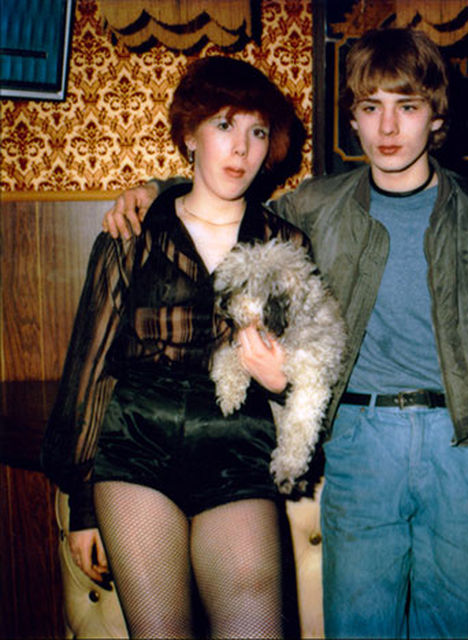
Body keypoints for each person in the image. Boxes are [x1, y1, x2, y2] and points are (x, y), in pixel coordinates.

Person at [102, 29, 468, 639]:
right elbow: (229, 200)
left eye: (407, 107)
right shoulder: (315, 209)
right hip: (355, 441)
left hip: (459, 444)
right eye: (370, 107)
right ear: (352, 119)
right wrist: (155, 192)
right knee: (358, 628)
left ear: (435, 118)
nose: (388, 128)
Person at [41, 56, 313, 639]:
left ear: (272, 148)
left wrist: (283, 378)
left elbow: (311, 373)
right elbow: (90, 369)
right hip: (135, 451)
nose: (240, 148)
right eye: (223, 124)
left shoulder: (287, 244)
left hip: (237, 453)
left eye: (257, 131)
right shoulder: (132, 232)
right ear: (189, 135)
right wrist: (82, 506)